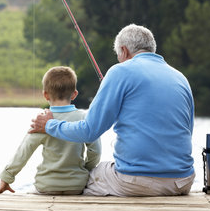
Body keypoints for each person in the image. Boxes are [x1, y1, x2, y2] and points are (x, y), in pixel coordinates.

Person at [29, 24, 195, 196]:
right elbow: (187, 132)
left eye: (118, 56)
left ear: (123, 51)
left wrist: (49, 125)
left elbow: (88, 131)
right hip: (182, 181)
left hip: (137, 181)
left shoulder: (119, 71)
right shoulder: (180, 77)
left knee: (84, 179)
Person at [0, 66, 101, 195]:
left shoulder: (41, 121)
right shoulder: (84, 117)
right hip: (77, 185)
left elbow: (24, 151)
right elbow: (95, 151)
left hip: (47, 185)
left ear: (45, 95)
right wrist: (85, 170)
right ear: (74, 94)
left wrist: (6, 178)